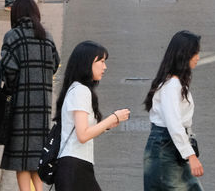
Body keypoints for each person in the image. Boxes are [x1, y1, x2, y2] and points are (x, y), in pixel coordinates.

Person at [0, 0, 60, 191]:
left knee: (21, 160)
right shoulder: (47, 36)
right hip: (43, 105)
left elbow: (8, 69)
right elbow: (55, 64)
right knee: (36, 159)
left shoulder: (13, 36)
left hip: (20, 105)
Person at [54, 41, 130, 191]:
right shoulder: (81, 91)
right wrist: (113, 117)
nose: (105, 67)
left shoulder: (76, 89)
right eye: (101, 61)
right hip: (75, 168)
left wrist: (106, 125)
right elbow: (83, 135)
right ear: (87, 63)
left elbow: (82, 130)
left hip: (75, 167)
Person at [143, 30, 204, 191]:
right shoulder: (172, 86)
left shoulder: (174, 83)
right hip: (166, 147)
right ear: (184, 55)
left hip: (168, 147)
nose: (198, 57)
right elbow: (173, 124)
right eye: (195, 53)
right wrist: (190, 156)